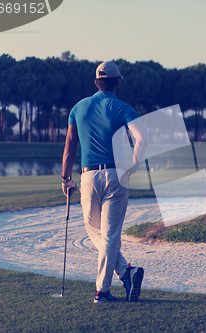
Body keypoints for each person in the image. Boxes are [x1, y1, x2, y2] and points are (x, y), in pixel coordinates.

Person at [61, 61, 148, 303]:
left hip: (88, 176)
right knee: (107, 235)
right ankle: (124, 274)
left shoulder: (78, 108)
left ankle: (105, 288)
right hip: (116, 175)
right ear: (118, 83)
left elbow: (70, 145)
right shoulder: (122, 107)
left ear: (96, 82)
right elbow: (142, 138)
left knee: (96, 232)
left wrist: (65, 178)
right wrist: (133, 165)